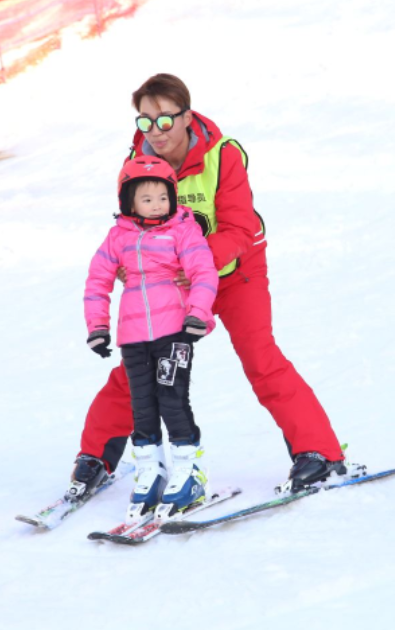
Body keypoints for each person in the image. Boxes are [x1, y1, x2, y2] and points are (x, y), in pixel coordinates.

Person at [68, 73, 350, 502]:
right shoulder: (137, 159)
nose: (155, 132)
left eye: (165, 120)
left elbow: (241, 228)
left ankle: (320, 453)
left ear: (186, 116)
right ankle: (95, 459)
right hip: (172, 281)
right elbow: (131, 228)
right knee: (137, 368)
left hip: (236, 272)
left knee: (260, 357)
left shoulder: (222, 155)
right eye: (145, 121)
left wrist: (196, 262)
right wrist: (132, 264)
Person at [75, 156, 219, 520]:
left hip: (175, 332)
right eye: (146, 198)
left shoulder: (184, 230)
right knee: (142, 405)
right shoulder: (118, 237)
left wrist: (197, 315)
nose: (157, 205)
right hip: (133, 336)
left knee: (171, 399)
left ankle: (190, 470)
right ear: (129, 203)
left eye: (162, 197)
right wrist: (98, 327)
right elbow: (97, 281)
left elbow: (203, 271)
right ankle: (150, 470)